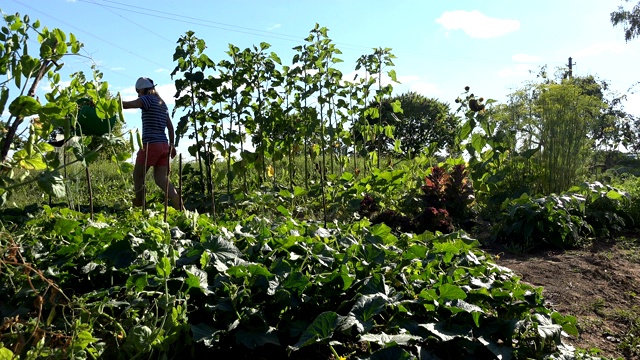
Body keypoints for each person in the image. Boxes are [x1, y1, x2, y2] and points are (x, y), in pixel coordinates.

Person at [122, 77, 183, 210]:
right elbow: (171, 128)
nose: (138, 94)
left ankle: (140, 204)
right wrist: (172, 145)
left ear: (144, 89)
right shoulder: (162, 103)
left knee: (138, 175)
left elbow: (127, 105)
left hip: (151, 145)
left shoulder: (147, 99)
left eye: (138, 91)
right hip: (164, 146)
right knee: (161, 179)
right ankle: (178, 203)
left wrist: (106, 103)